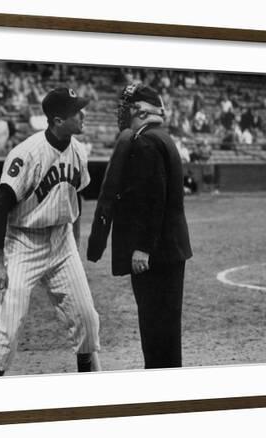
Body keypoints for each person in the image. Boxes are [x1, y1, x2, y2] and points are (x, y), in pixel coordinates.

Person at [0, 87, 101, 377]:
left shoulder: (78, 151)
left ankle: (87, 376)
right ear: (58, 120)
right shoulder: (27, 154)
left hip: (62, 242)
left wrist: (74, 241)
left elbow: (76, 197)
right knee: (10, 321)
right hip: (25, 242)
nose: (83, 115)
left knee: (86, 316)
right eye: (77, 112)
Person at [87, 84, 192, 369]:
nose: (124, 114)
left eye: (128, 107)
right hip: (169, 250)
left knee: (156, 329)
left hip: (156, 254)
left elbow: (153, 199)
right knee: (165, 329)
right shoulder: (162, 138)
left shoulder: (145, 142)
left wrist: (143, 248)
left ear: (141, 111)